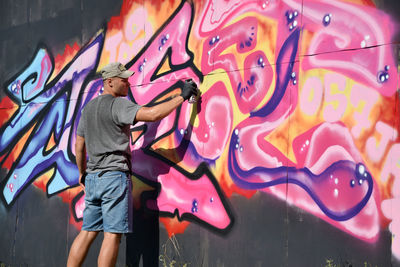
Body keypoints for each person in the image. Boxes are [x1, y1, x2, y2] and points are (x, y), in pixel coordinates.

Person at [67, 62, 198, 267]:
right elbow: (153, 114)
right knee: (112, 236)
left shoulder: (88, 109)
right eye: (123, 79)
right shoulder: (119, 104)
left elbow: (79, 145)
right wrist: (182, 96)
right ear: (109, 82)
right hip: (114, 179)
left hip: (92, 179)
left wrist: (82, 174)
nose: (128, 82)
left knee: (87, 232)